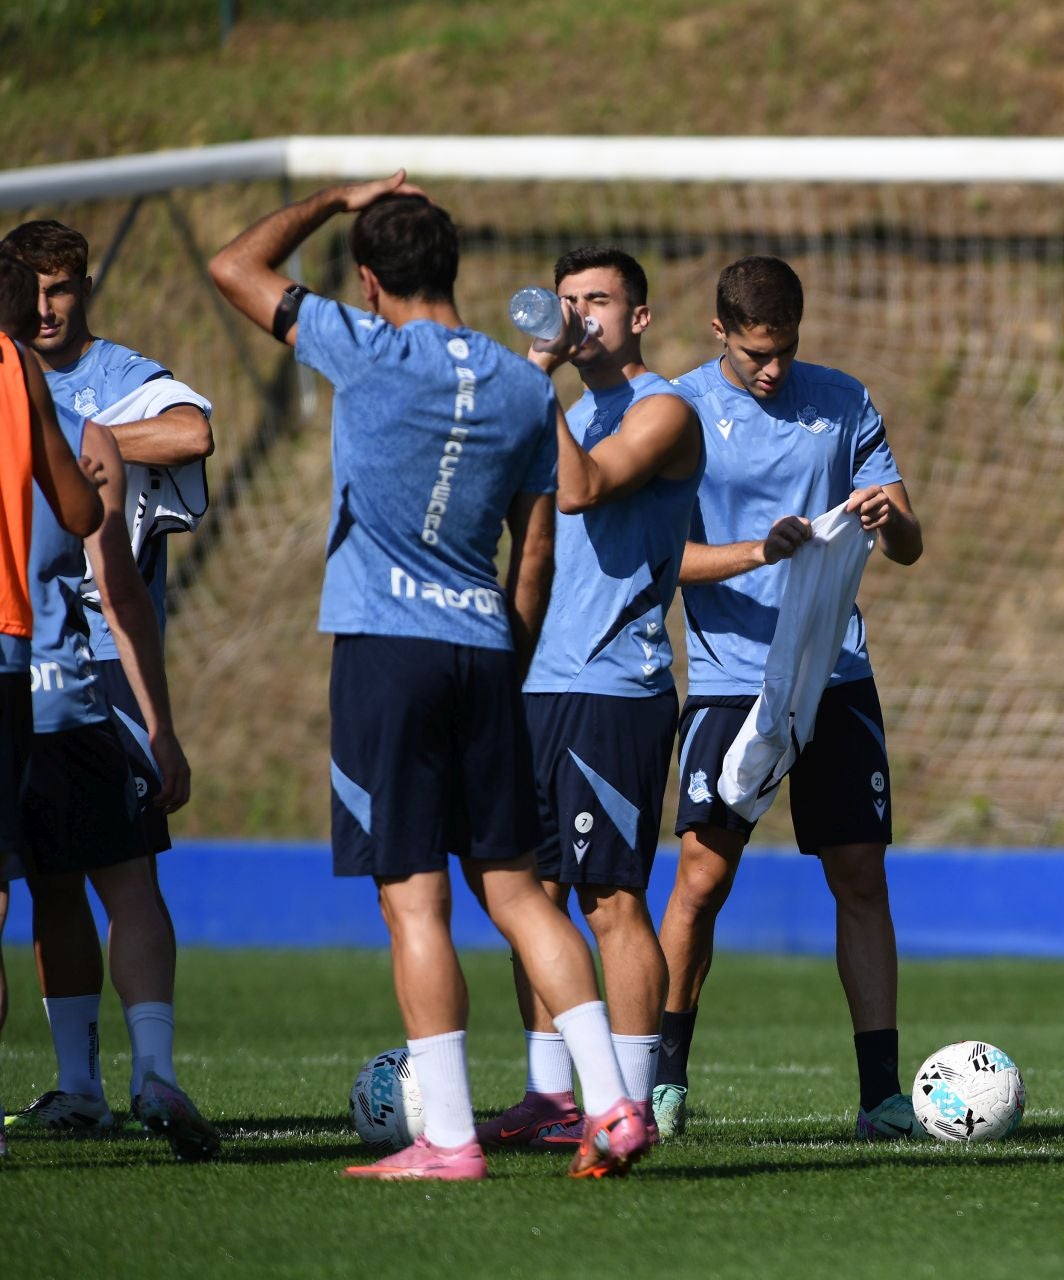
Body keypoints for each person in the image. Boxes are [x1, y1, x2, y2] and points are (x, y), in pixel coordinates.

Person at [208, 171, 653, 1180]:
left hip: (386, 650)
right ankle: (614, 1101)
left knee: (414, 900)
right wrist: (511, 652)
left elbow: (234, 265)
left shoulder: (360, 346)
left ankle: (447, 1137)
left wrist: (328, 196)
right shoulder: (523, 384)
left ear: (369, 282)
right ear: (452, 268)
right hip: (487, 651)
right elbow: (533, 549)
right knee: (522, 892)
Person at [657, 255, 924, 1140]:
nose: (773, 369)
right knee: (702, 875)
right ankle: (664, 1078)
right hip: (732, 681)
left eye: (786, 350)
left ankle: (880, 1094)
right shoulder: (677, 409)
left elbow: (910, 541)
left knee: (860, 875)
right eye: (756, 353)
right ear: (719, 333)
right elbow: (659, 562)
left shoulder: (844, 400)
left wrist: (893, 520)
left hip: (835, 675)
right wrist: (756, 552)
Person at [477, 246, 702, 1149]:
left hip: (612, 689)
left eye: (596, 302)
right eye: (565, 302)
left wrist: (535, 389)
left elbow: (581, 491)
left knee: (611, 898)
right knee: (530, 893)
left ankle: (633, 1099)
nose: (576, 318)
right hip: (535, 686)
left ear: (637, 317)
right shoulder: (570, 409)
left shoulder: (665, 411)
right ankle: (550, 1095)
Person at [1, 220, 213, 1140]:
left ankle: (149, 1073)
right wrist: (57, 435)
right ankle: (87, 1083)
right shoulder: (35, 402)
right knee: (60, 883)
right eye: (32, 292)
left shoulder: (112, 379)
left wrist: (86, 432)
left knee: (118, 877)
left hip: (98, 677)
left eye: (61, 290)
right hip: (64, 671)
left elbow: (193, 428)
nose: (46, 309)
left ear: (84, 290)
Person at [0, 253, 107, 1158]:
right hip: (11, 647)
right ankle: (92, 1081)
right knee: (27, 884)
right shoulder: (18, 370)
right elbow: (79, 512)